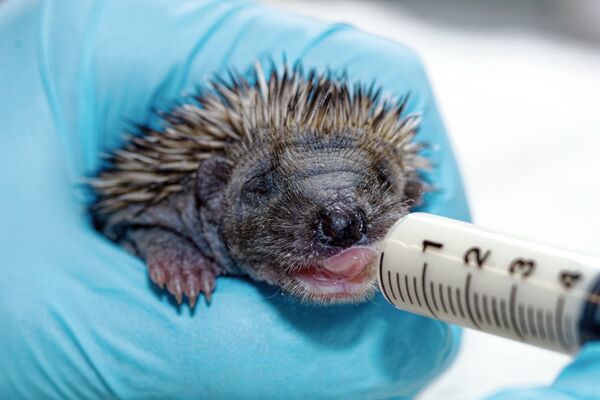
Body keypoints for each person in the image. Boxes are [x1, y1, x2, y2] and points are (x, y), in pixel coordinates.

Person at [0, 1, 596, 399]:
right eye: (266, 189)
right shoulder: (176, 198)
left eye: (377, 194)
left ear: (412, 199)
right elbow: (122, 215)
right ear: (210, 192)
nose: (341, 221)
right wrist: (161, 248)